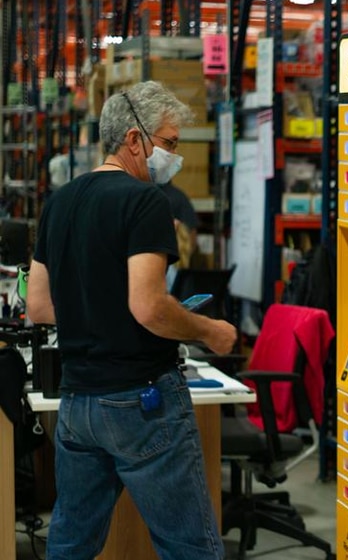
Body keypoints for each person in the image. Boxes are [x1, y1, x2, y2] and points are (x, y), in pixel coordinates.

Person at [26, 80, 236, 560]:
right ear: (134, 140)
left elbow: (38, 306)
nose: (175, 157)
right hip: (141, 402)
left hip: (77, 403)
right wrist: (210, 331)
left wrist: (95, 311)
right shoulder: (145, 202)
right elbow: (150, 307)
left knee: (71, 544)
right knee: (190, 546)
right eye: (169, 143)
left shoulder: (59, 202)